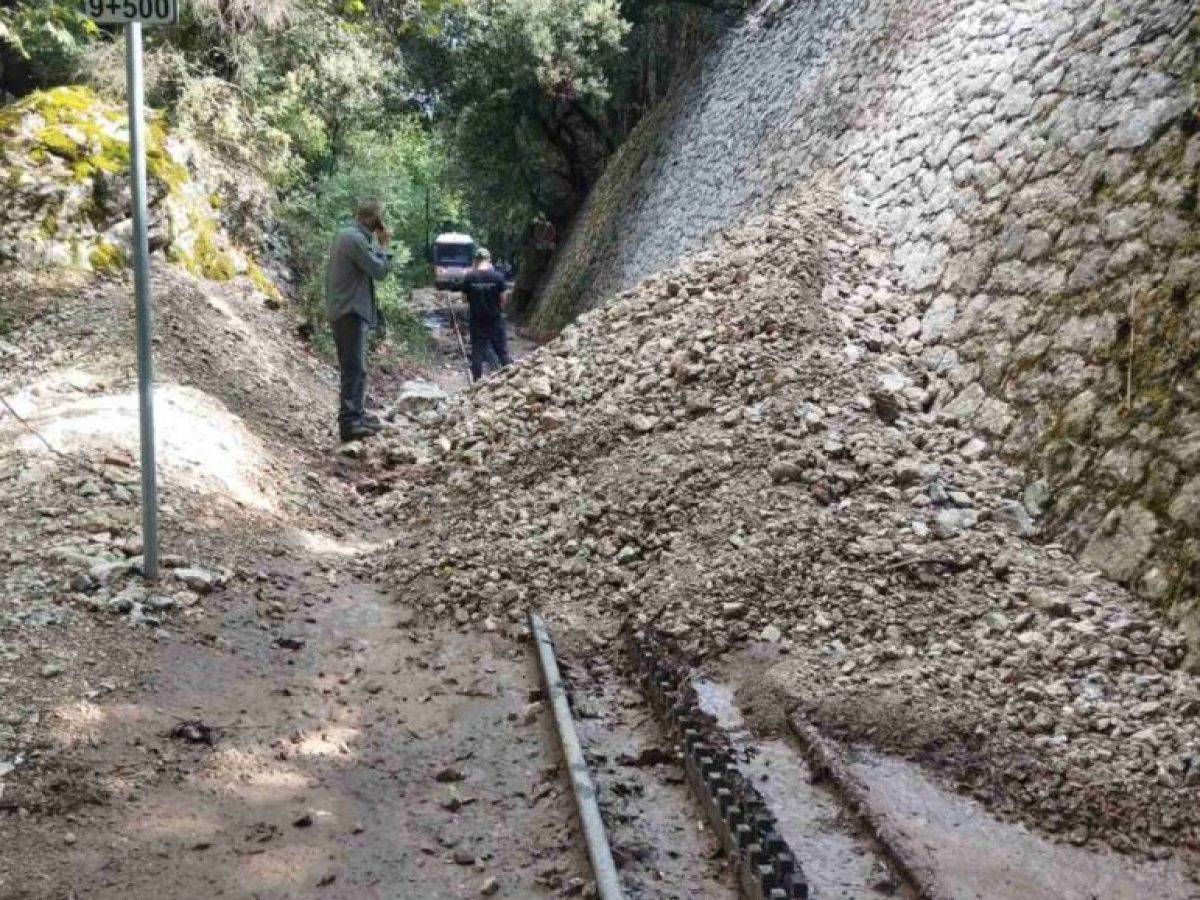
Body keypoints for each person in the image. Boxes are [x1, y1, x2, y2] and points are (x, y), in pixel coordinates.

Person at [326, 199, 394, 442]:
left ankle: (357, 414)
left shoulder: (348, 236)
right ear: (375, 220)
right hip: (349, 311)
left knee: (356, 367)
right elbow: (379, 271)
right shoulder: (355, 239)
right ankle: (349, 422)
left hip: (346, 309)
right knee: (354, 368)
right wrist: (384, 246)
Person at [461, 247, 513, 381]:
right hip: (495, 320)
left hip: (477, 320)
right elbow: (503, 300)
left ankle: (477, 382)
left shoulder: (469, 277)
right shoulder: (498, 277)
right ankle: (511, 379)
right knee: (502, 351)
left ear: (475, 261)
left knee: (477, 352)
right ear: (489, 260)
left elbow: (464, 299)